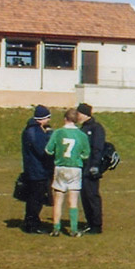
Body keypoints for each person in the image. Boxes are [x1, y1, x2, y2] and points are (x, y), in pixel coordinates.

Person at [45, 108, 91, 237]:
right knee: (73, 200)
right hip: (75, 168)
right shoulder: (82, 135)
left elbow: (48, 150)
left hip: (60, 167)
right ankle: (73, 229)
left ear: (65, 119)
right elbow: (86, 154)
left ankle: (56, 228)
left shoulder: (58, 132)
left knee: (58, 199)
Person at [21, 104, 54, 234]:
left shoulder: (30, 130)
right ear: (42, 118)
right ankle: (32, 225)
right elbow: (42, 150)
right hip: (37, 171)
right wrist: (49, 136)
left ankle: (31, 221)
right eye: (47, 118)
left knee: (34, 198)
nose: (49, 121)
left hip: (33, 169)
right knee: (36, 198)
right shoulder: (35, 131)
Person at [75, 102, 105, 234]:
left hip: (91, 167)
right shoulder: (82, 129)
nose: (77, 116)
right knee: (85, 196)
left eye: (79, 113)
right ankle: (89, 222)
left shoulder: (96, 128)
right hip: (82, 167)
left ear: (85, 114)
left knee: (92, 195)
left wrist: (95, 166)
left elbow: (98, 148)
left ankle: (96, 225)